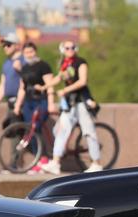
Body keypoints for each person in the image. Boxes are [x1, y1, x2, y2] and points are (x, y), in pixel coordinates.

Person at [39, 40, 102, 175]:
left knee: (88, 132)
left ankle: (96, 163)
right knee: (60, 130)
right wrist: (44, 87)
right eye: (67, 48)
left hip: (81, 102)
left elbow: (83, 81)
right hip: (69, 104)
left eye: (72, 47)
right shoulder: (65, 64)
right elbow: (58, 78)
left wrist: (66, 90)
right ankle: (56, 163)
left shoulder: (81, 62)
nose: (70, 50)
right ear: (63, 49)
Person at [12, 42, 52, 142]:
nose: (29, 55)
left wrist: (51, 104)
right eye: (26, 53)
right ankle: (37, 155)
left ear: (35, 52)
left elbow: (50, 85)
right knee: (29, 129)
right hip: (28, 101)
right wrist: (17, 105)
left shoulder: (43, 66)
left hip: (41, 101)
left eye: (31, 52)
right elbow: (22, 88)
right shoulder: (24, 68)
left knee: (36, 127)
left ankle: (43, 155)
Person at [0, 32, 23, 121]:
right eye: (4, 45)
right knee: (12, 129)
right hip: (10, 101)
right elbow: (3, 84)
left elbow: (31, 79)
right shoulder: (7, 62)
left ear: (17, 46)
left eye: (8, 45)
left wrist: (21, 69)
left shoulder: (23, 60)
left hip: (22, 102)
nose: (5, 47)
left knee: (24, 130)